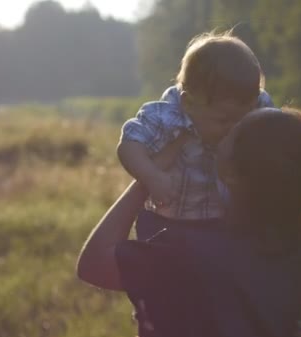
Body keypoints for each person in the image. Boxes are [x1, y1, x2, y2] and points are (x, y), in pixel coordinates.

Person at [77, 107, 301, 337]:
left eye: (230, 132)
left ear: (231, 173)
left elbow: (93, 263)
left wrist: (149, 177)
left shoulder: (191, 255)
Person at [117, 30, 273, 240]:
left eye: (242, 120)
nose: (233, 129)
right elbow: (129, 144)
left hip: (225, 223)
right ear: (188, 103)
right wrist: (152, 177)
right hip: (168, 223)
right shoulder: (169, 114)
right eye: (223, 120)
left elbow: (284, 131)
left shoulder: (255, 104)